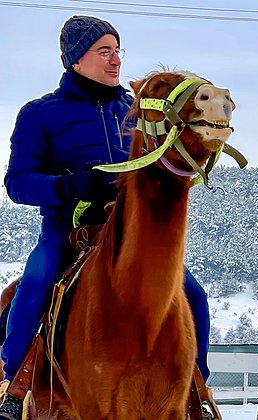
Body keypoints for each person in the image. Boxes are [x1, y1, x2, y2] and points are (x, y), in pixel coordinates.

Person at [0, 15, 212, 419]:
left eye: (118, 51)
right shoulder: (39, 114)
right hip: (68, 232)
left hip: (133, 236)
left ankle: (195, 389)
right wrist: (70, 186)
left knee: (194, 295)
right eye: (104, 51)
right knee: (36, 283)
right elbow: (17, 183)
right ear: (75, 60)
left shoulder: (135, 111)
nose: (115, 60)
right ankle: (14, 386)